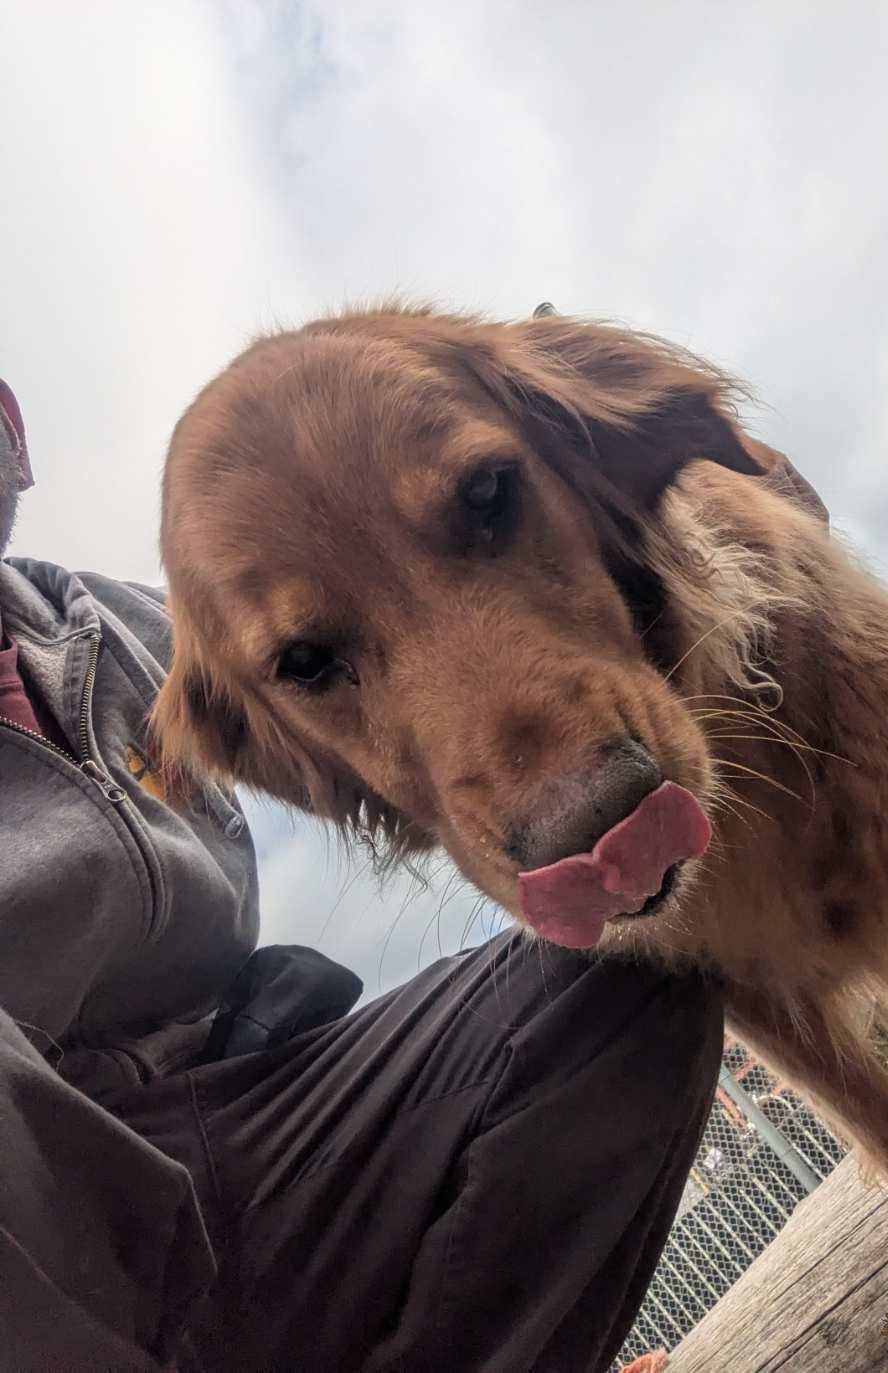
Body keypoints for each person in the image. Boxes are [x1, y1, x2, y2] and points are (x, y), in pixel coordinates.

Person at [0, 375, 724, 1373]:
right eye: (306, 658)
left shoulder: (123, 626)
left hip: (255, 1107)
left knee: (638, 976)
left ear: (13, 430)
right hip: (47, 1214)